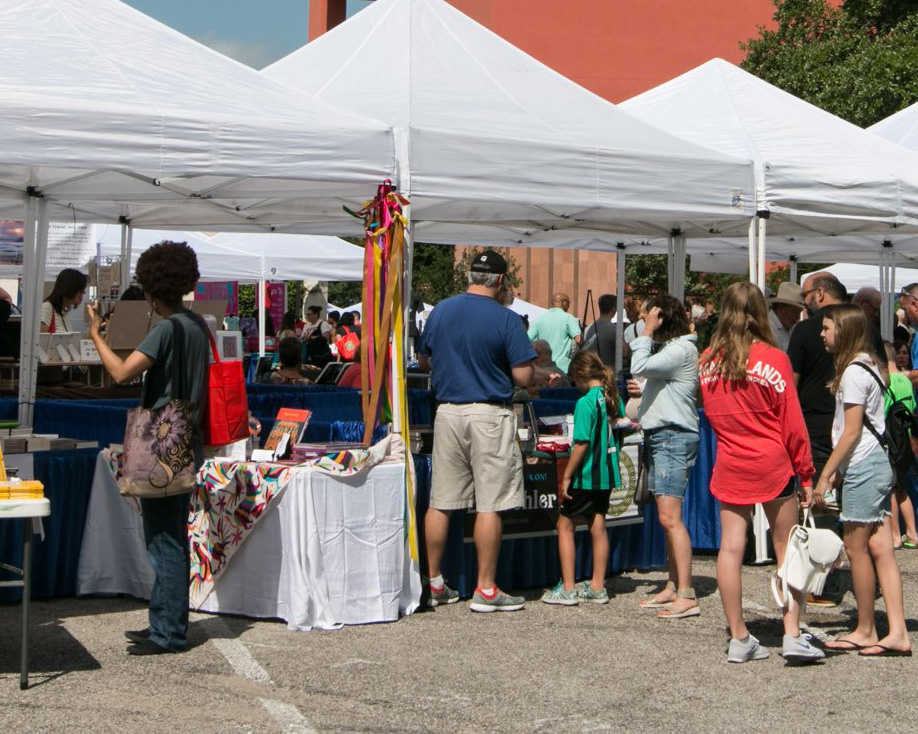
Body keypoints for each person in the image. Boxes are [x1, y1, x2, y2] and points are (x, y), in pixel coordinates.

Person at [86, 241, 208, 655]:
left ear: (152, 289)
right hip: (188, 439)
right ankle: (163, 620)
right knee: (169, 534)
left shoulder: (165, 329)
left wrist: (95, 336)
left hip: (161, 444)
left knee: (163, 541)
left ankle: (169, 632)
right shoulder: (197, 326)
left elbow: (120, 372)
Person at [699, 282, 822, 663]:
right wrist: (806, 473)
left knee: (730, 548)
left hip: (732, 460)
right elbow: (792, 423)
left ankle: (738, 636)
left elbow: (712, 416)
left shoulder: (707, 362)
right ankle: (792, 633)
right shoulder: (773, 358)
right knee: (788, 549)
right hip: (772, 461)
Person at [417, 250, 537, 613]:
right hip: (488, 413)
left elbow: (424, 360)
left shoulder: (440, 311)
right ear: (500, 281)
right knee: (491, 503)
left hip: (448, 412)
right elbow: (523, 376)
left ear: (470, 276)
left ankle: (435, 581)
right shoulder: (507, 319)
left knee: (441, 500)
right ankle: (485, 589)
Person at [815, 305, 911, 657]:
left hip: (864, 467)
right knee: (881, 549)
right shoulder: (870, 365)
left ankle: (867, 628)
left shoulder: (854, 372)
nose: (821, 333)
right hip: (877, 463)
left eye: (827, 328)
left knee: (856, 550)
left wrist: (826, 474)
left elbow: (851, 432)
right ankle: (897, 630)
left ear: (844, 329)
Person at [629, 294, 700, 619]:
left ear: (660, 318)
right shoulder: (676, 350)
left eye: (649, 317)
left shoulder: (680, 349)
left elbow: (639, 365)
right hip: (663, 434)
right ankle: (674, 585)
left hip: (672, 436)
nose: (645, 322)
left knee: (670, 518)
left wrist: (645, 333)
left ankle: (686, 592)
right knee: (666, 518)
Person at [786, 272, 850, 605]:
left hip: (816, 425)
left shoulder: (805, 329)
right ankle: (866, 572)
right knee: (854, 505)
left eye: (806, 295)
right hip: (855, 425)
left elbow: (790, 383)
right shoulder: (862, 323)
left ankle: (828, 583)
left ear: (821, 294)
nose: (804, 302)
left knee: (821, 502)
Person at [541, 351, 623, 605]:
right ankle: (598, 586)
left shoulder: (585, 403)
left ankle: (568, 587)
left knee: (564, 525)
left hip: (586, 475)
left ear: (579, 375)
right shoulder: (613, 398)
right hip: (607, 474)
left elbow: (581, 443)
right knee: (597, 524)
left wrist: (567, 476)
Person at [881, 341, 918, 549]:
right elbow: (911, 408)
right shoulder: (906, 382)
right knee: (902, 489)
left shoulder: (887, 382)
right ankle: (912, 533)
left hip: (891, 441)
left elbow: (883, 413)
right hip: (906, 440)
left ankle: (895, 535)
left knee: (892, 490)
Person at [527, 292, 581, 374]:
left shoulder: (539, 319)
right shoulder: (568, 318)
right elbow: (578, 339)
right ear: (563, 303)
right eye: (568, 303)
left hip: (544, 369)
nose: (569, 306)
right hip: (563, 369)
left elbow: (526, 339)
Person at [41, 268, 88, 333]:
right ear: (70, 289)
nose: (83, 293)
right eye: (80, 290)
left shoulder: (63, 312)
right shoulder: (47, 308)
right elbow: (41, 340)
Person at [767, 282, 805, 350]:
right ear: (781, 308)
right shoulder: (767, 327)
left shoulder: (790, 326)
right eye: (795, 312)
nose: (798, 318)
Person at [582, 294, 617, 367]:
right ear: (614, 309)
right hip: (608, 373)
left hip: (592, 371)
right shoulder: (614, 329)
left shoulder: (589, 327)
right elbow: (624, 352)